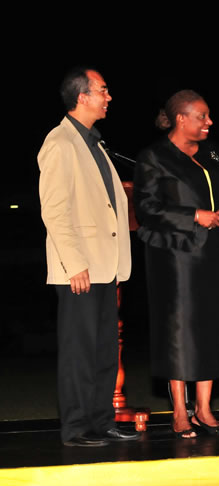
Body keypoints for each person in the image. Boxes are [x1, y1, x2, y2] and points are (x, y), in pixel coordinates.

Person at [38, 67, 139, 446]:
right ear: (82, 97)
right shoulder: (60, 143)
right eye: (103, 90)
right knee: (79, 351)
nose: (108, 96)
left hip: (103, 265)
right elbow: (55, 209)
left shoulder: (94, 143)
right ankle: (77, 427)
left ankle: (101, 421)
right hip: (79, 268)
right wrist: (73, 262)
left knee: (103, 351)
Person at [134, 90, 219, 438]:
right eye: (202, 116)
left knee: (210, 326)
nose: (209, 122)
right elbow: (147, 208)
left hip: (212, 253)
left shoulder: (213, 152)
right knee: (177, 330)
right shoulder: (155, 156)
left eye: (208, 116)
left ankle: (204, 409)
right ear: (181, 119)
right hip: (174, 256)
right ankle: (179, 411)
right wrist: (194, 215)